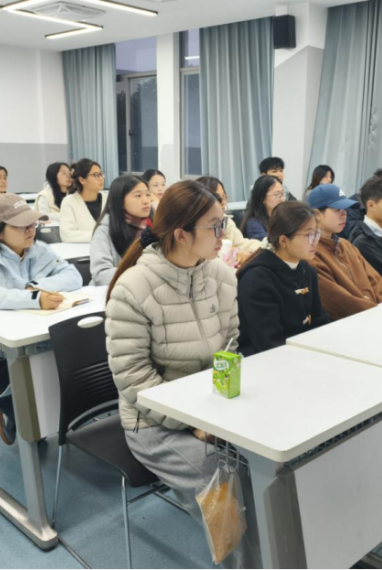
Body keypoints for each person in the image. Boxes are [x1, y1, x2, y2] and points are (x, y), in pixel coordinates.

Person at [105, 181, 261, 569]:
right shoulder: (133, 289)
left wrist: (222, 411)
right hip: (153, 424)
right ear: (181, 234)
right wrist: (191, 423)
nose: (224, 234)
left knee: (269, 461)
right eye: (215, 226)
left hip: (211, 409)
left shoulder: (221, 276)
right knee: (223, 476)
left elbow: (230, 344)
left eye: (224, 222)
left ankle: (286, 551)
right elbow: (133, 379)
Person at [0, 194, 83, 445]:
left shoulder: (39, 249)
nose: (30, 230)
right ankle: (9, 407)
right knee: (23, 397)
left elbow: (73, 276)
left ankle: (40, 418)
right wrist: (34, 298)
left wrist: (35, 287)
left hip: (37, 331)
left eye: (32, 224)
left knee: (56, 370)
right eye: (21, 225)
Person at [237, 201, 331, 356]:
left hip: (302, 354)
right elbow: (269, 343)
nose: (315, 241)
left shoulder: (307, 270)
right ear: (283, 241)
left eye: (316, 233)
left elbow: (319, 320)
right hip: (266, 360)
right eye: (309, 235)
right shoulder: (256, 280)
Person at [307, 184, 382, 320]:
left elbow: (377, 282)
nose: (344, 215)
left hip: (377, 317)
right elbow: (341, 303)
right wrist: (381, 315)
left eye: (345, 209)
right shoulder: (310, 255)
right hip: (355, 324)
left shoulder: (346, 245)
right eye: (337, 210)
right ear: (317, 214)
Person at [89, 175, 152, 287]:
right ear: (121, 201)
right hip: (112, 292)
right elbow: (100, 275)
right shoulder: (104, 231)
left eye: (147, 194)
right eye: (138, 195)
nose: (146, 201)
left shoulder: (153, 227)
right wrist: (142, 275)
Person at [197, 176, 261, 260]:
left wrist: (264, 247)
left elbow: (241, 243)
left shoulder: (225, 219)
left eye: (224, 197)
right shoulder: (200, 225)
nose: (223, 202)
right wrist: (237, 254)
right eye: (218, 198)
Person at [60, 159, 106, 243]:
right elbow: (67, 235)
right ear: (82, 180)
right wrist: (101, 235)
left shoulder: (108, 199)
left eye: (101, 174)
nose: (101, 179)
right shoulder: (69, 202)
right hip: (81, 250)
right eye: (96, 175)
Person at [241, 175, 285, 240]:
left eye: (282, 194)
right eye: (277, 194)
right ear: (263, 198)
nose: (282, 199)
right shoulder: (253, 225)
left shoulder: (280, 218)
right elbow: (270, 244)